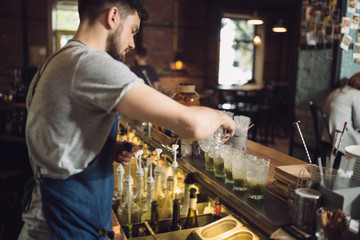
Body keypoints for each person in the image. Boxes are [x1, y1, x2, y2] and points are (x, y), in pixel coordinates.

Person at [18, 0, 236, 239]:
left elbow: (58, 137)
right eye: (132, 30)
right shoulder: (91, 64)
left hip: (47, 214)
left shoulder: (56, 60)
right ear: (113, 16)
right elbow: (190, 125)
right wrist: (221, 115)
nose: (132, 43)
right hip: (65, 224)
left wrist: (106, 150)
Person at [322, 72, 360, 165]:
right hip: (342, 141)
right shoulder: (356, 94)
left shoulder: (336, 91)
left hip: (327, 137)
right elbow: (358, 123)